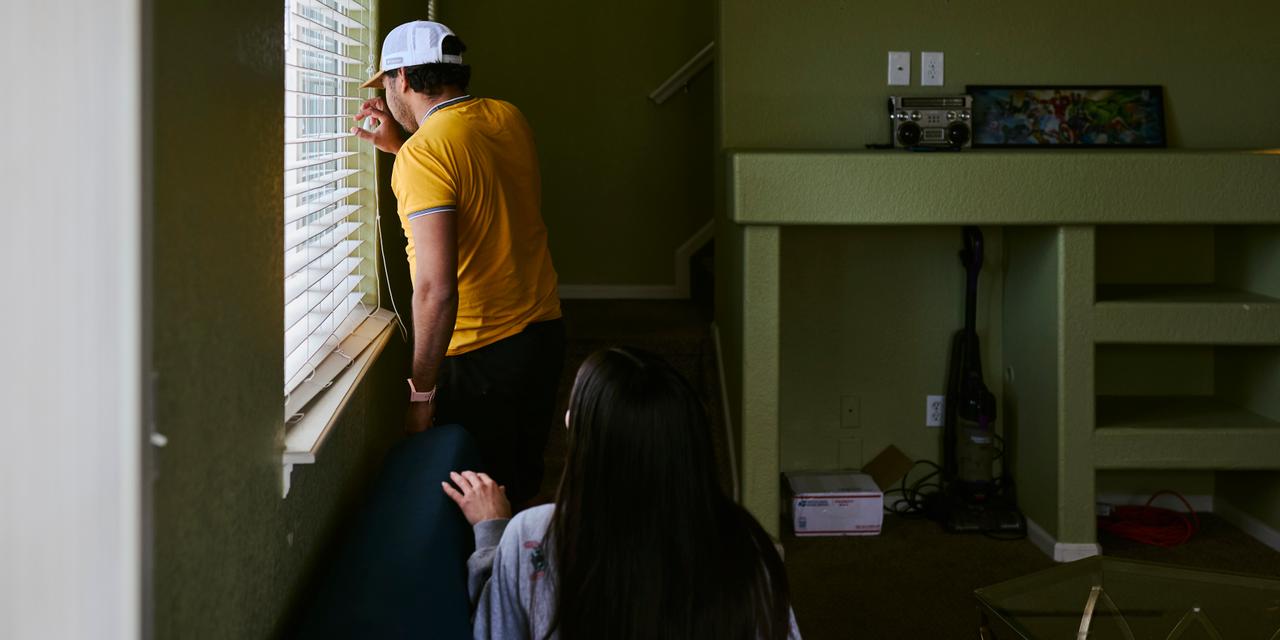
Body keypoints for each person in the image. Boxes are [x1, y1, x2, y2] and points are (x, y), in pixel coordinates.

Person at [443, 347, 801, 639]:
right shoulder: (748, 546)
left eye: (574, 411)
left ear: (584, 438)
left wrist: (493, 536)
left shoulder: (532, 536)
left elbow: (496, 631)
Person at [352, 20, 564, 507]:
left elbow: (435, 289)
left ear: (402, 77)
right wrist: (399, 147)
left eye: (385, 82)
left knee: (477, 508)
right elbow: (473, 192)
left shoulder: (426, 155)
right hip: (543, 336)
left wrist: (421, 396)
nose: (385, 93)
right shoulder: (506, 117)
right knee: (521, 483)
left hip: (481, 360)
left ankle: (496, 583)